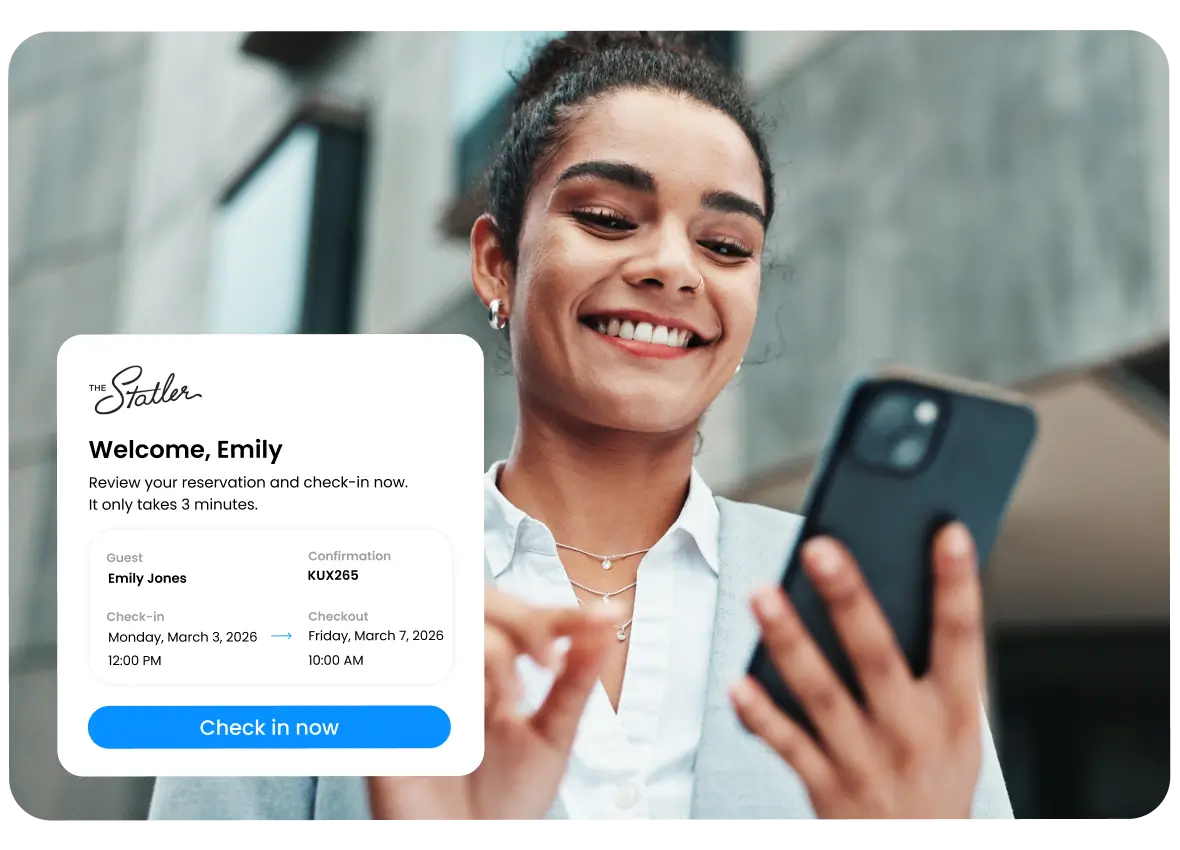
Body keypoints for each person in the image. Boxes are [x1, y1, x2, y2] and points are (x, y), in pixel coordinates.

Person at [149, 30, 1014, 824]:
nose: (674, 268)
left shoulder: (857, 609)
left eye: (726, 246)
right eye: (606, 218)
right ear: (497, 262)